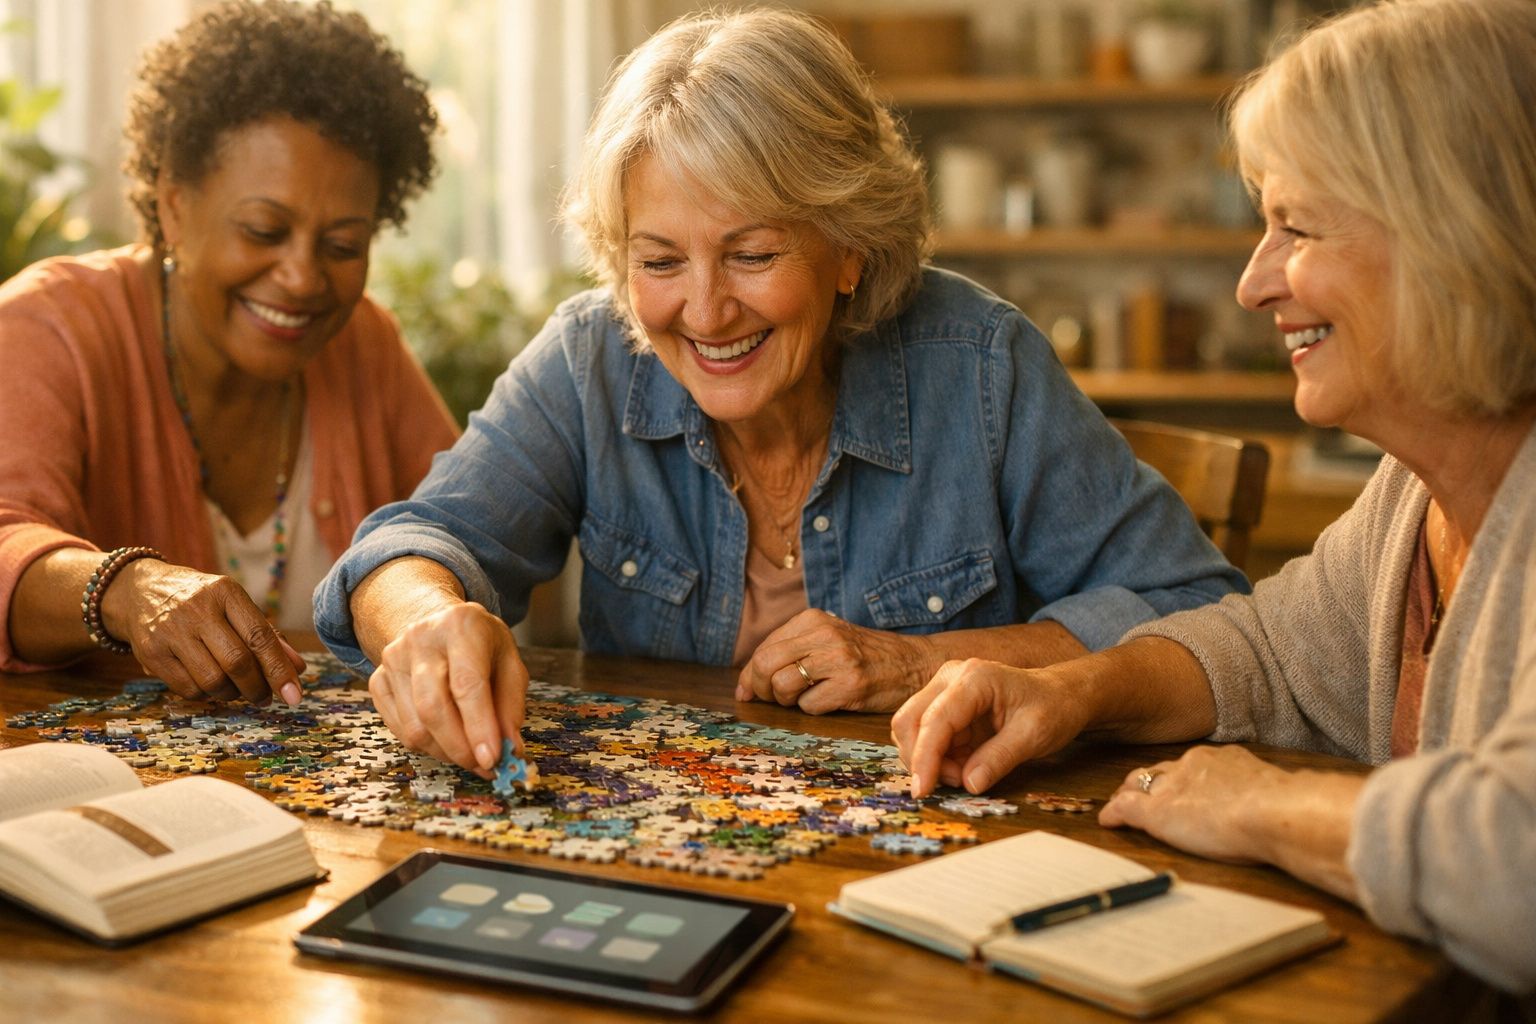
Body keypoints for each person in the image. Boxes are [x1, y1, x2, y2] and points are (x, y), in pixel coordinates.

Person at [314, 7, 1244, 776]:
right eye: (660, 260)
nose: (707, 311)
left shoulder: (980, 364)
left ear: (849, 246)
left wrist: (921, 661)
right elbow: (408, 544)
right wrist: (429, 619)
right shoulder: (590, 358)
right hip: (668, 855)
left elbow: (1198, 615)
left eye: (753, 255)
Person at [893, 0, 1536, 994]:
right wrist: (1076, 690)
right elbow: (1270, 653)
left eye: (1297, 227)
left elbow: (1514, 864)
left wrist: (1258, 806)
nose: (1252, 283)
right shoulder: (1415, 497)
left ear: (1457, 237)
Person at [0, 0, 458, 705]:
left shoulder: (364, 343)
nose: (303, 277)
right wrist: (126, 590)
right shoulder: (49, 326)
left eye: (342, 246)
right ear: (174, 206)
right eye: (263, 229)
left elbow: (466, 526)